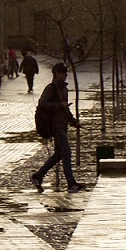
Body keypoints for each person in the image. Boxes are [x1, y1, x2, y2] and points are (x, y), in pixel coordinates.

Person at [31, 62, 84, 193]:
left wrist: (73, 121)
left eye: (66, 73)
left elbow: (65, 109)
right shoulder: (51, 88)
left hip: (62, 125)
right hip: (55, 127)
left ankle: (38, 176)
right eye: (63, 73)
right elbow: (43, 104)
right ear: (57, 73)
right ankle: (71, 183)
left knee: (59, 154)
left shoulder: (64, 89)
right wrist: (59, 105)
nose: (65, 75)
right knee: (66, 153)